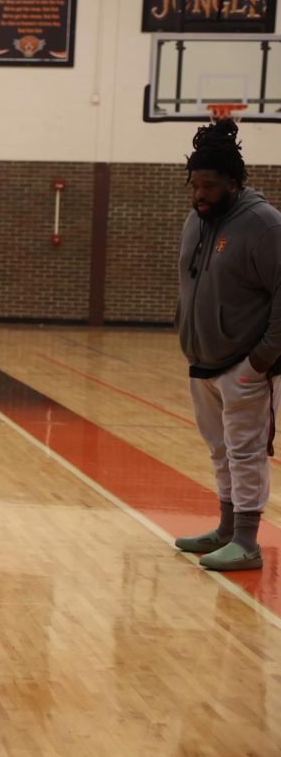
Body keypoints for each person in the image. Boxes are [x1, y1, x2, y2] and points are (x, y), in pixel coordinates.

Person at [174, 119, 281, 571]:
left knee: (246, 451)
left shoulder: (264, 224)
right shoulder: (196, 221)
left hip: (246, 364)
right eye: (194, 185)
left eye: (210, 186)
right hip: (203, 361)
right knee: (219, 449)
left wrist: (261, 358)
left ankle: (247, 541)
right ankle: (224, 528)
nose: (199, 194)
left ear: (234, 183)